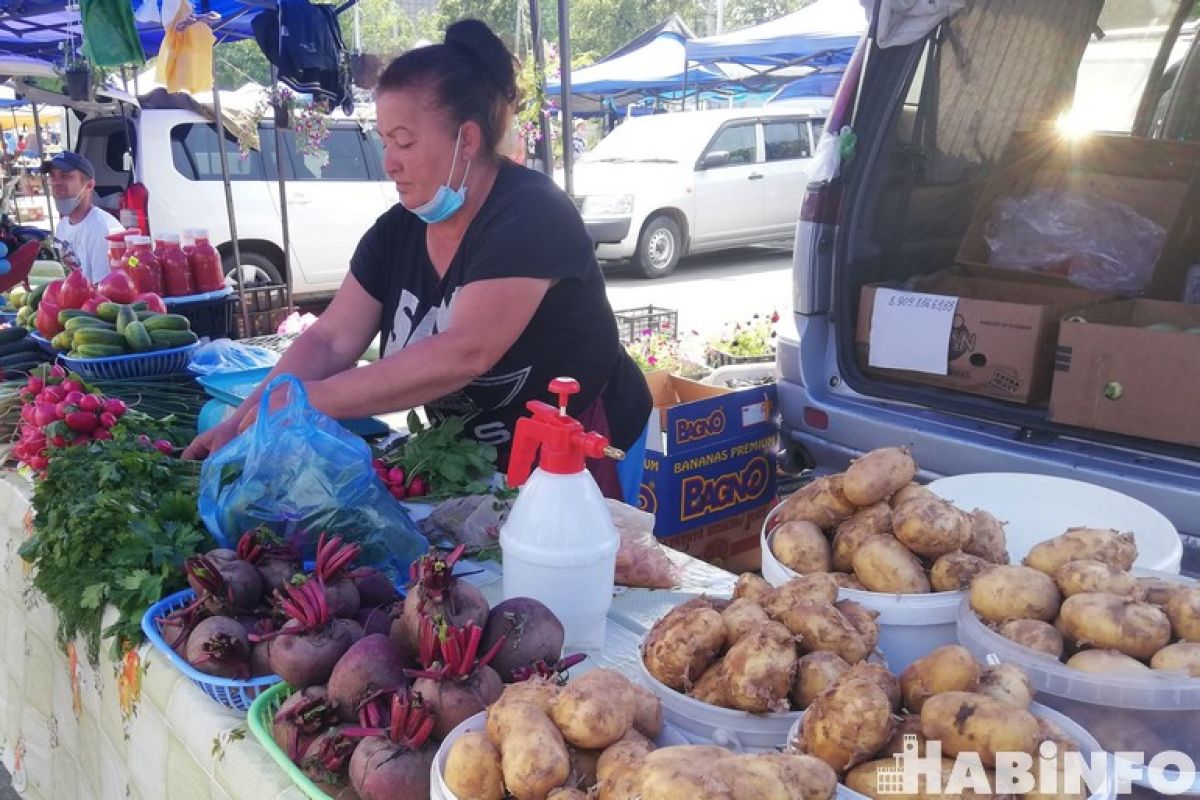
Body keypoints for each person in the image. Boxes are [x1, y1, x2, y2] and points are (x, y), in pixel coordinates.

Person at [184, 19, 652, 498]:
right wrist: (245, 419)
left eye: (404, 142)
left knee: (579, 567)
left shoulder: (531, 213)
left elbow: (466, 350)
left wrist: (311, 401)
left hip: (577, 445)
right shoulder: (398, 231)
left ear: (466, 141)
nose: (390, 162)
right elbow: (328, 340)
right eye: (384, 142)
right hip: (473, 456)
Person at [45, 152, 124, 282]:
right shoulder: (62, 226)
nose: (56, 183)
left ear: (89, 185)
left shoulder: (101, 229)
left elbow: (104, 290)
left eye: (65, 176)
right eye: (52, 176)